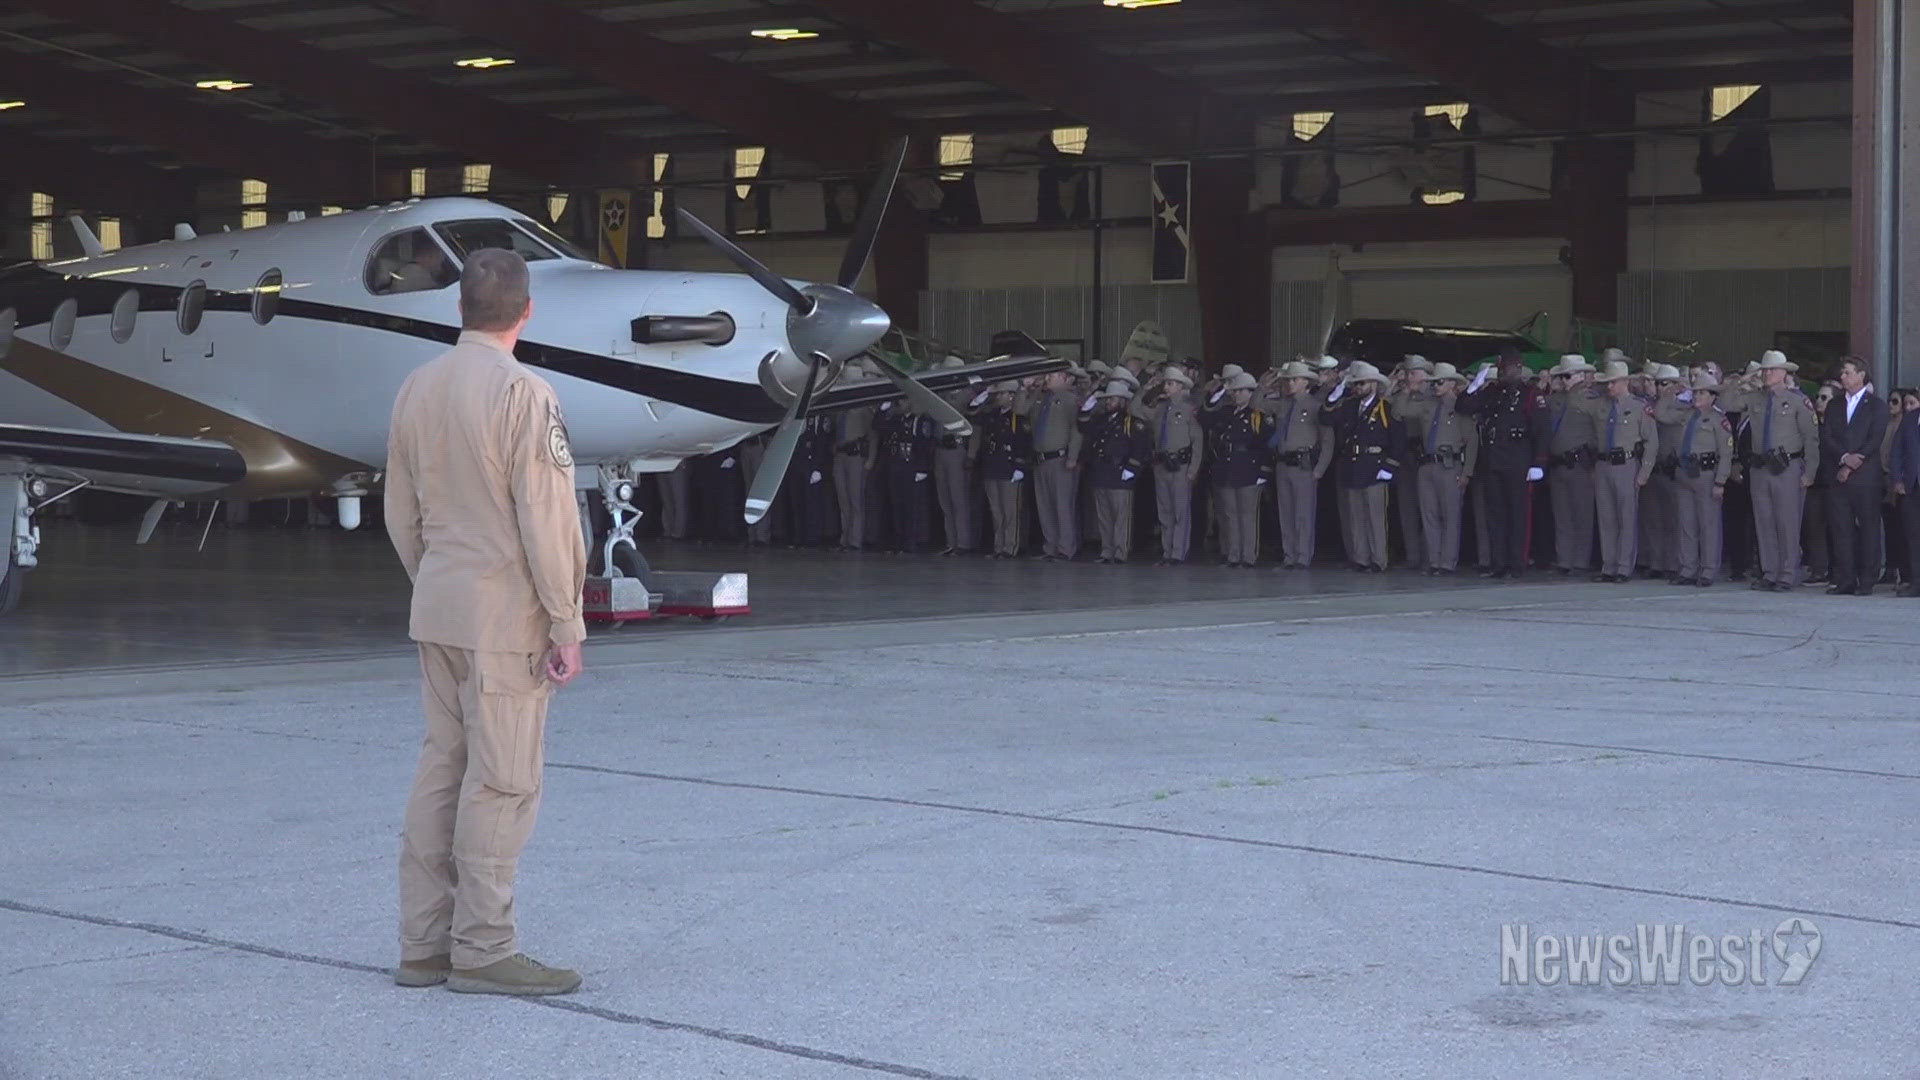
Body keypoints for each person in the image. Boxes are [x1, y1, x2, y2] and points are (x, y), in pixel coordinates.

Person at [384, 248, 586, 997]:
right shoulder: (524, 393)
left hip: (438, 603)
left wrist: (436, 581)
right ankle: (484, 948)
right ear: (527, 312)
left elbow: (399, 512)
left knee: (443, 767)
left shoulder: (416, 387)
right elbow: (547, 518)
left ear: (460, 309)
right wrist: (566, 623)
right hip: (505, 616)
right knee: (501, 783)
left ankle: (424, 945)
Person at [1718, 351, 1821, 591]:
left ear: (1784, 373)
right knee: (1764, 520)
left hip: (1787, 466)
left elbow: (1811, 438)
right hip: (1760, 467)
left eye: (1771, 370)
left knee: (1787, 521)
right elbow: (1724, 403)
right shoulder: (1756, 398)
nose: (1766, 374)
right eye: (1764, 370)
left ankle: (1787, 573)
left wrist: (1810, 472)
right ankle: (1770, 571)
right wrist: (1745, 379)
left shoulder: (1798, 401)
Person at [1457, 351, 1550, 579]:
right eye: (1499, 368)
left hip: (1519, 457)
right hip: (1493, 458)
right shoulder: (1492, 392)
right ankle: (1498, 564)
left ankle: (1516, 564)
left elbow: (1542, 430)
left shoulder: (1531, 394)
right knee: (1495, 514)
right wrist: (1475, 384)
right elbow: (1464, 407)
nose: (1501, 372)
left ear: (1517, 368)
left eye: (1504, 368)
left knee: (1519, 514)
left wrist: (1539, 462)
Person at [1569, 359, 1657, 582]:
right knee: (1606, 518)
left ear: (1625, 382)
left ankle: (1624, 567)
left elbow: (1651, 442)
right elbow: (1575, 401)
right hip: (1603, 465)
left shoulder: (1639, 407)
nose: (1609, 387)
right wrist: (1588, 382)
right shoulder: (1600, 404)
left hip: (1626, 465)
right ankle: (1608, 566)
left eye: (1612, 382)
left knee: (1626, 518)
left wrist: (1644, 473)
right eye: (1606, 383)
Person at [1395, 363, 1478, 575]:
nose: (1435, 387)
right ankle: (1434, 561)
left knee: (1450, 516)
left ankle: (1447, 563)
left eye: (1439, 382)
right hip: (1427, 464)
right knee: (1429, 515)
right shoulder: (1427, 405)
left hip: (1450, 465)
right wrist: (1407, 390)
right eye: (1433, 383)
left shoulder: (1460, 406)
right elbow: (1399, 412)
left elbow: (1472, 441)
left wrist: (1467, 472)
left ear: (1452, 383)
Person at [1321, 362, 1401, 572]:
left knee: (1375, 517)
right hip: (1353, 464)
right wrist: (1336, 393)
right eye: (1355, 384)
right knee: (1355, 517)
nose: (1357, 388)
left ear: (1374, 384)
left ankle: (1378, 560)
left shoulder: (1385, 407)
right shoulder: (1348, 405)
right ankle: (1361, 558)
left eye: (1362, 383)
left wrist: (1389, 467)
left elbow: (1397, 440)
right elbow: (1326, 417)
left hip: (1374, 464)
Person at [1819, 356, 1888, 595]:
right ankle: (1845, 579)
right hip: (1838, 474)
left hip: (1865, 476)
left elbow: (1874, 439)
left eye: (1847, 372)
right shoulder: (1835, 405)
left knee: (1868, 528)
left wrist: (1853, 462)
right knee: (1841, 528)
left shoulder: (1876, 405)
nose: (1843, 376)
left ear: (1861, 375)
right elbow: (1827, 436)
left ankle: (1867, 579)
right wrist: (1843, 458)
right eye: (1842, 372)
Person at [1133, 365, 1205, 565]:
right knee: (1164, 511)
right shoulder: (1159, 409)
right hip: (1161, 464)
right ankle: (1167, 552)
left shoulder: (1188, 410)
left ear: (1181, 387)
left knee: (1180, 511)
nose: (1166, 387)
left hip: (1180, 466)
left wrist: (1193, 469)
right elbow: (1135, 409)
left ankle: (1178, 553)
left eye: (1171, 383)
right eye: (1166, 383)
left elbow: (1197, 440)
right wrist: (1146, 389)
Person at [1264, 360, 1332, 569]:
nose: (1290, 384)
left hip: (1304, 465)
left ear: (1306, 382)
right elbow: (1257, 404)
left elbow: (1327, 440)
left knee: (1303, 514)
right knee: (1286, 513)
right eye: (1288, 380)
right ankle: (1289, 556)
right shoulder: (1282, 404)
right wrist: (1265, 386)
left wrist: (1320, 469)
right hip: (1283, 464)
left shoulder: (1314, 406)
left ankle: (1303, 556)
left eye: (1294, 380)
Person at [1670, 377, 1735, 587]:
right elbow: (1662, 412)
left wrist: (1720, 481)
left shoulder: (1718, 420)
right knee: (1686, 524)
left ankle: (1708, 570)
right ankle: (1687, 568)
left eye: (1702, 393)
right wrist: (1671, 391)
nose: (1697, 396)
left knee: (1708, 524)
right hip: (1684, 472)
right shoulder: (1686, 415)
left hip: (1706, 474)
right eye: (1695, 392)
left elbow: (1726, 453)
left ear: (1712, 396)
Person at [1203, 372, 1272, 567]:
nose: (1236, 395)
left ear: (1251, 392)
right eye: (1234, 391)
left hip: (1248, 468)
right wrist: (1216, 393)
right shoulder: (1226, 413)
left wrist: (1263, 471)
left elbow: (1266, 444)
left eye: (1241, 391)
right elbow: (1205, 418)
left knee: (1247, 516)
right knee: (1229, 515)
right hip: (1227, 467)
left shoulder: (1257, 416)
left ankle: (1248, 556)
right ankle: (1233, 555)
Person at [1081, 382, 1151, 562]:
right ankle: (1107, 551)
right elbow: (1083, 426)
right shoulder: (1101, 419)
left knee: (1121, 517)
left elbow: (1140, 447)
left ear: (1122, 401)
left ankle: (1120, 552)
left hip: (1120, 472)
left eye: (1111, 399)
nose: (1108, 402)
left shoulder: (1132, 422)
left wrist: (1132, 469)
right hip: (1102, 472)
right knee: (1104, 517)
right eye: (1107, 399)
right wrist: (1088, 404)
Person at [1544, 356, 1599, 575]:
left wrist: (1593, 458)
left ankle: (1580, 561)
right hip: (1558, 464)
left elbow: (1599, 431)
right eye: (1561, 376)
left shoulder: (1591, 399)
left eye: (1566, 376)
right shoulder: (1556, 400)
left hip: (1579, 463)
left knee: (1582, 514)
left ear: (1580, 376)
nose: (1564, 381)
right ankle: (1564, 559)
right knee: (1562, 514)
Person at [1028, 368, 1085, 561]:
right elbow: (1021, 410)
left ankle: (1065, 548)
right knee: (1045, 506)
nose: (1046, 379)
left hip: (1061, 459)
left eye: (1051, 376)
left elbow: (1077, 429)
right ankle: (1050, 546)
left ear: (1064, 378)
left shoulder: (1070, 399)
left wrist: (1073, 456)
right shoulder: (1042, 399)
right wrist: (1030, 388)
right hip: (1041, 458)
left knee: (1063, 505)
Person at [972, 383, 1032, 558]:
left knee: (1010, 511)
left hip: (1009, 468)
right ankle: (998, 546)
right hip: (992, 467)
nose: (998, 397)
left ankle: (1010, 546)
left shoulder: (1018, 417)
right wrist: (985, 393)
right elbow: (973, 412)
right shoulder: (992, 414)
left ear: (1012, 396)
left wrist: (1020, 467)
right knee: (996, 511)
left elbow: (1024, 443)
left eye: (1002, 394)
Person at [830, 367, 878, 551]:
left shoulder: (864, 408)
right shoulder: (839, 408)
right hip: (841, 455)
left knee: (855, 500)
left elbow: (873, 435)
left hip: (856, 456)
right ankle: (845, 538)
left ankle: (855, 540)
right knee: (843, 499)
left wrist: (870, 460)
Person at [932, 359, 977, 556]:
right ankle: (951, 541)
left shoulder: (968, 395)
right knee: (945, 499)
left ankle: (964, 543)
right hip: (940, 450)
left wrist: (971, 454)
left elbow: (976, 427)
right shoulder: (939, 394)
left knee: (959, 500)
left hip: (958, 450)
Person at [1888, 388, 1920, 596]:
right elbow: (1896, 450)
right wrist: (1897, 479)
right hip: (1911, 486)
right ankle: (1916, 582)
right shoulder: (1910, 419)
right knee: (1912, 535)